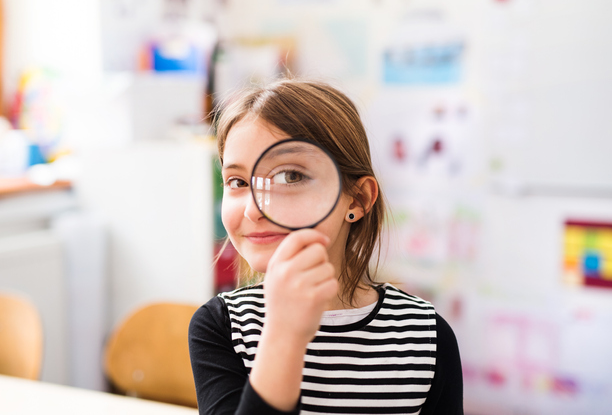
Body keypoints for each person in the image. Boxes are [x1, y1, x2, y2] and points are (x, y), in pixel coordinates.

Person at [189, 79, 463, 415]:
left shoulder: (426, 336)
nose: (252, 209)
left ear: (358, 199)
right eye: (237, 182)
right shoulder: (224, 326)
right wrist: (284, 336)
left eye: (289, 177)